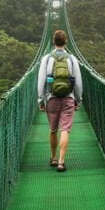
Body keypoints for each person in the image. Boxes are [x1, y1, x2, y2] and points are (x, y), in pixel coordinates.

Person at [37, 30, 83, 172]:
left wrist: (40, 99)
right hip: (68, 97)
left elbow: (41, 81)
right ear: (66, 42)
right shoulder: (72, 59)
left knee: (53, 130)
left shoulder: (46, 58)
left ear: (53, 42)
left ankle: (53, 157)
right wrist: (78, 99)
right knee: (65, 130)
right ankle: (62, 162)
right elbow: (78, 82)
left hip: (51, 98)